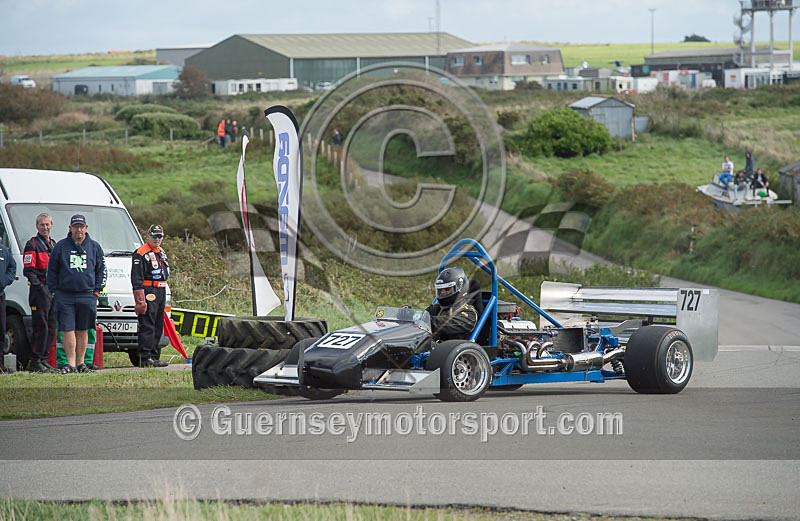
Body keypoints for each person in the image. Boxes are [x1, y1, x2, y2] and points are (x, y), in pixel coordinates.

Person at [47, 214, 106, 374]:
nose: (78, 229)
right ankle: (70, 364)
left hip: (87, 295)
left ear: (86, 228)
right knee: (67, 329)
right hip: (64, 295)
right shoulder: (61, 246)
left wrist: (97, 291)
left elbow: (101, 270)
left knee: (83, 329)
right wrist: (54, 291)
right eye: (75, 226)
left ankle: (81, 363)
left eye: (81, 226)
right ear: (70, 228)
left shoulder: (94, 247)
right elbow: (51, 270)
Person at [22, 213, 58, 373]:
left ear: (51, 225)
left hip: (53, 290)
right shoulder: (32, 244)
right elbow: (28, 271)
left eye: (47, 224)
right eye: (42, 225)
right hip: (39, 290)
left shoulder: (54, 244)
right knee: (40, 326)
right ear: (37, 226)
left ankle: (44, 359)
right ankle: (35, 361)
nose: (45, 227)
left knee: (51, 326)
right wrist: (40, 287)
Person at [131, 225, 170, 368]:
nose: (157, 239)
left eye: (160, 236)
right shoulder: (141, 253)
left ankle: (154, 356)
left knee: (158, 324)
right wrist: (140, 300)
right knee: (147, 324)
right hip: (149, 290)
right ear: (148, 236)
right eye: (154, 236)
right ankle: (145, 357)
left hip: (161, 290)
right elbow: (136, 278)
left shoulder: (161, 252)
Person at [425, 267, 478, 342]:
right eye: (440, 289)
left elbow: (444, 324)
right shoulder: (437, 308)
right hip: (431, 346)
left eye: (447, 289)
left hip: (453, 347)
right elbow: (421, 315)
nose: (442, 292)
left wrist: (425, 319)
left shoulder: (469, 314)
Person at [0, 240, 17, 372]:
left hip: (0, 295)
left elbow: (12, 266)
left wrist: (4, 281)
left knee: (1, 329)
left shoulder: (3, 251)